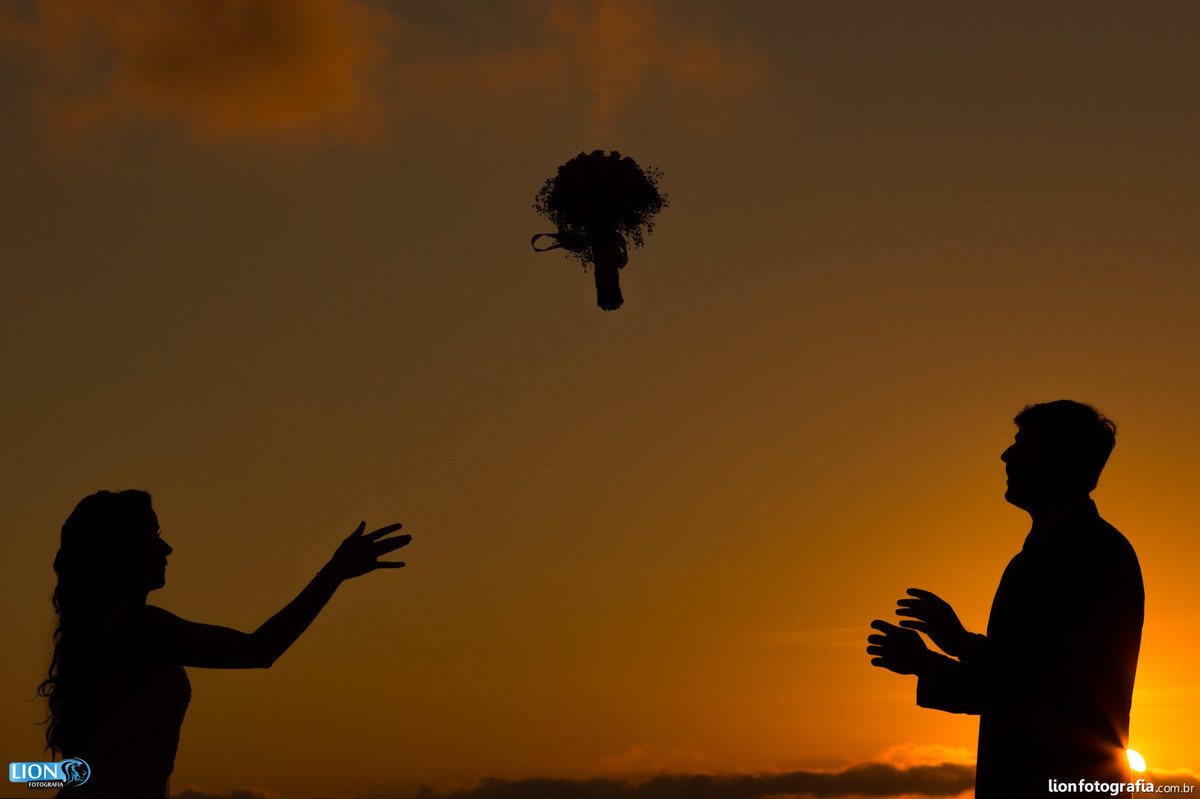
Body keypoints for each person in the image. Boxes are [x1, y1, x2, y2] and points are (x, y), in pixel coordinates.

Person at [38, 489, 411, 798]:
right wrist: (334, 573)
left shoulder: (106, 629)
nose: (167, 548)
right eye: (153, 536)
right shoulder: (134, 626)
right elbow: (259, 650)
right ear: (120, 550)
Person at [866, 401, 1143, 798]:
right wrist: (959, 641)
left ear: (1067, 462)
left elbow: (1038, 690)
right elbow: (1023, 665)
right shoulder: (1032, 559)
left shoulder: (1097, 557)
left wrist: (924, 663)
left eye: (1025, 445)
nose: (1006, 455)